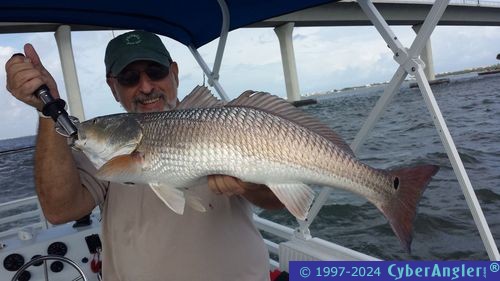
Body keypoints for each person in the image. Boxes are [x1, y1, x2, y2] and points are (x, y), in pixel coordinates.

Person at [5, 30, 284, 281]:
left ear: (174, 73)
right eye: (129, 78)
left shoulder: (224, 125)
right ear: (113, 86)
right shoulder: (104, 148)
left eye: (156, 71)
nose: (147, 86)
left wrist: (251, 185)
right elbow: (60, 210)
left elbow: (276, 200)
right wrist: (47, 109)